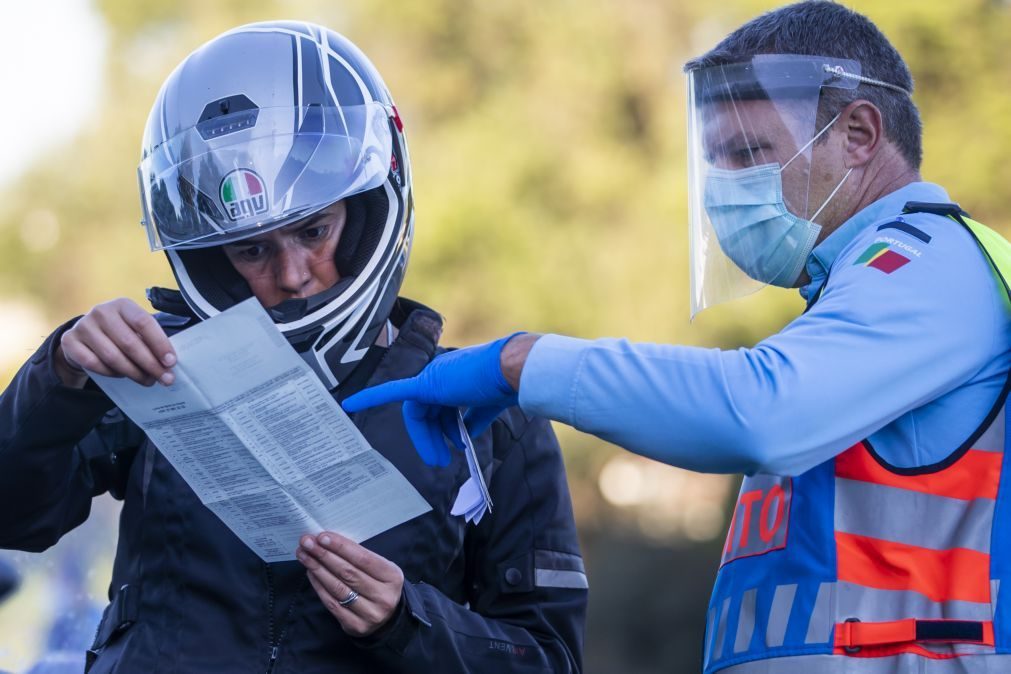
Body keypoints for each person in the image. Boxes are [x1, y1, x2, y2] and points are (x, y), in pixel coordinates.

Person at [342, 2, 1011, 672]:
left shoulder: (928, 263)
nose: (727, 187)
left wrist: (523, 363)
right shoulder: (851, 297)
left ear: (859, 133)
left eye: (748, 152)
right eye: (716, 161)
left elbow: (760, 414)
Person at [0, 21, 586, 673]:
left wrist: (406, 620)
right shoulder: (163, 369)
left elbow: (549, 658)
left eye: (314, 230)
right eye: (250, 249)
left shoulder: (489, 416)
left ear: (367, 209)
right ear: (211, 260)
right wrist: (60, 378)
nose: (291, 274)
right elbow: (15, 518)